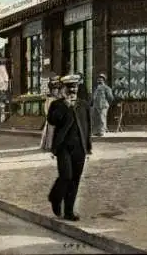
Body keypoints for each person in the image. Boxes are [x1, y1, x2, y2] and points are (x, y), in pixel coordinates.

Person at [47, 74, 92, 221]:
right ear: (64, 89)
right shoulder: (57, 105)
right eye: (69, 87)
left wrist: (88, 146)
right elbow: (52, 121)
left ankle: (68, 211)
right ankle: (55, 197)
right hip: (63, 147)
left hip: (80, 147)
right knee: (66, 176)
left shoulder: (83, 105)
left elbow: (87, 127)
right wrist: (65, 106)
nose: (73, 90)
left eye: (75, 87)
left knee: (75, 180)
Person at [40, 76, 62, 151]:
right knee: (50, 131)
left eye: (57, 90)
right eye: (55, 90)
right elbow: (47, 109)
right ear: (52, 90)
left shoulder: (57, 98)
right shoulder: (50, 99)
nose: (56, 91)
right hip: (52, 117)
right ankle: (49, 145)